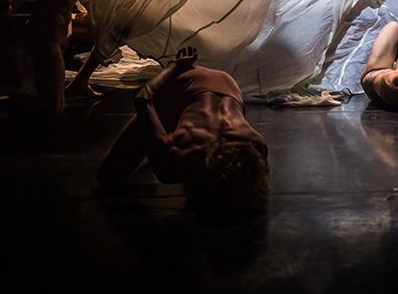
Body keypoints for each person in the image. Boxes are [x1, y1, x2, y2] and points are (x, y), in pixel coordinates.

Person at [97, 46, 270, 221]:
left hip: (227, 85)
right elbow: (143, 99)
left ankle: (161, 133)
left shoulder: (256, 146)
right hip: (186, 83)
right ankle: (161, 131)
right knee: (107, 177)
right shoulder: (174, 158)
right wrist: (173, 68)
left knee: (123, 167)